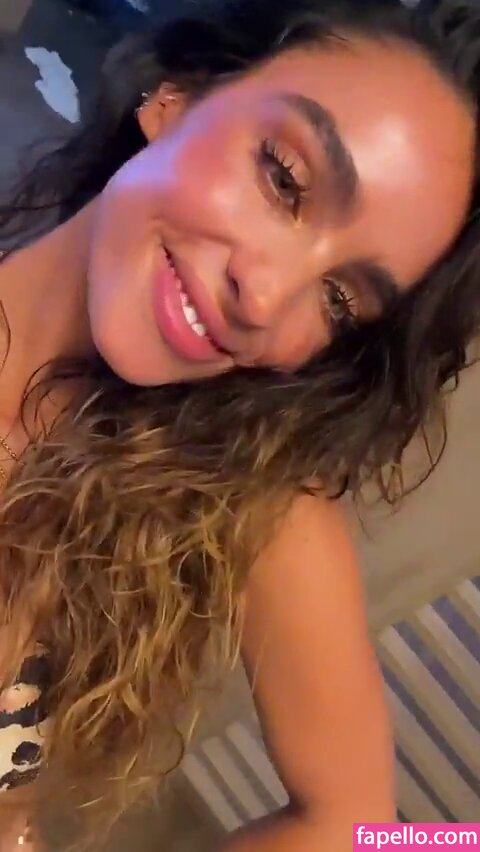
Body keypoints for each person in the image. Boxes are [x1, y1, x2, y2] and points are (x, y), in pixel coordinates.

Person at [0, 0, 479, 848]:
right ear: (176, 97)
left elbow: (369, 828)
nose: (264, 297)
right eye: (284, 180)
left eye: (339, 299)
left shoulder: (240, 497)